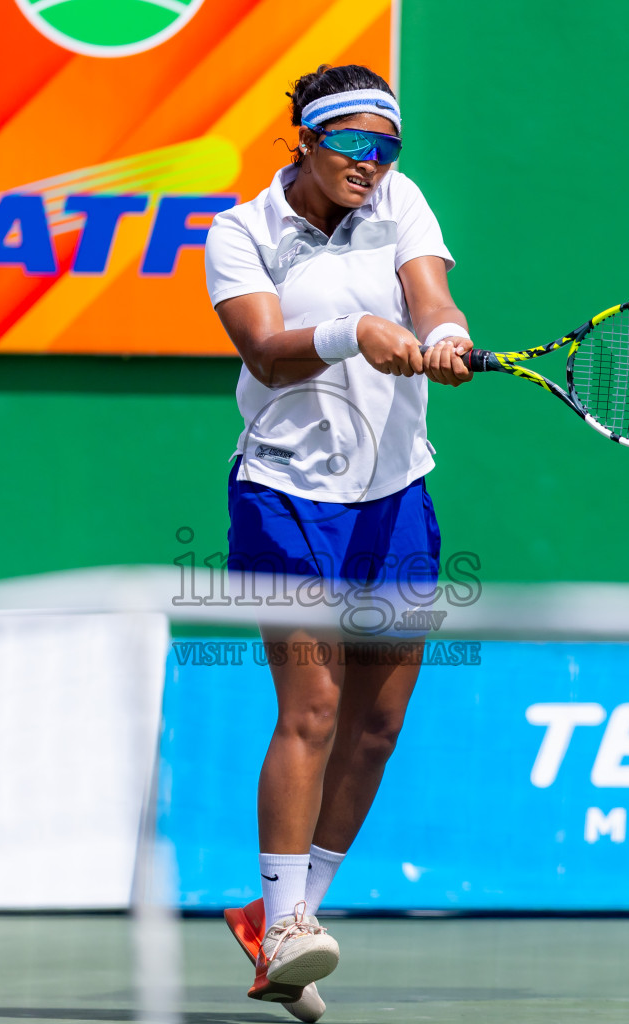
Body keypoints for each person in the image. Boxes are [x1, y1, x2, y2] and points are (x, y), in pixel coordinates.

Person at [202, 63, 474, 1021]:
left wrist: (441, 333)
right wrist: (357, 330)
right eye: (354, 144)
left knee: (376, 726)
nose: (373, 162)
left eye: (387, 146)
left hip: (395, 493)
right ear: (307, 140)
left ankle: (283, 919)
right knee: (312, 706)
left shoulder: (400, 200)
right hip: (286, 494)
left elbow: (430, 294)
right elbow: (266, 352)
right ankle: (282, 925)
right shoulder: (239, 233)